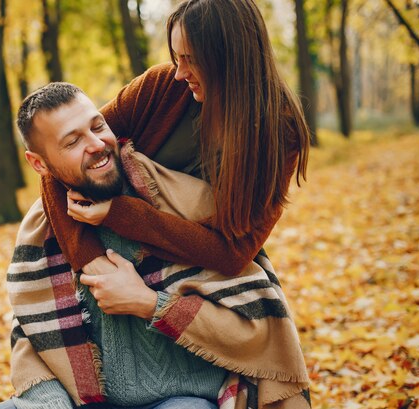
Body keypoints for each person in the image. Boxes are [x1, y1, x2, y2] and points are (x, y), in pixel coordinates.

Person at [0, 83, 310, 409]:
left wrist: (149, 304)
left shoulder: (175, 204)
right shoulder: (45, 229)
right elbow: (31, 335)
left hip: (183, 401)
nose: (96, 144)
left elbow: (257, 332)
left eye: (98, 126)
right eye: (72, 141)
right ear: (40, 165)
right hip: (83, 407)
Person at [40, 0, 310, 280]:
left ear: (230, 57)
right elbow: (54, 159)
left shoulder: (280, 133)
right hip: (111, 256)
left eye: (191, 59)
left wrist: (120, 213)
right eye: (177, 57)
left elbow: (234, 253)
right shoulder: (161, 87)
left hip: (195, 275)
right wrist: (91, 261)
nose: (180, 72)